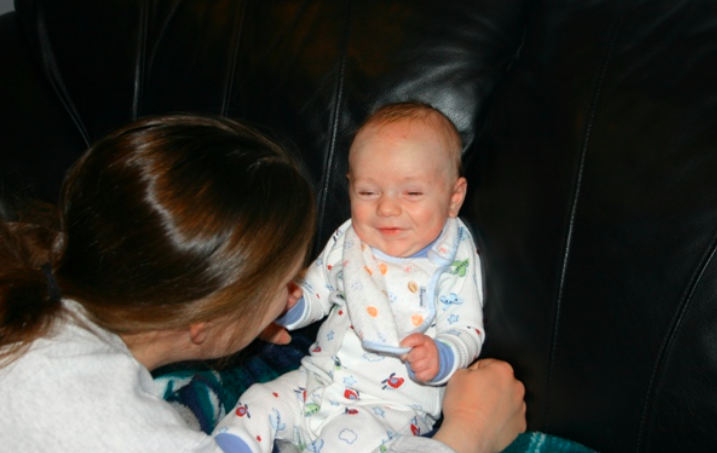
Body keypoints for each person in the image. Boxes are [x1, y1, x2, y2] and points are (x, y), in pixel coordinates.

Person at [0, 113, 525, 453]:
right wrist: (468, 434)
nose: (295, 291)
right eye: (286, 279)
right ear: (205, 321)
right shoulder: (107, 427)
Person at [218, 102, 492, 453]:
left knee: (346, 440)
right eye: (368, 192)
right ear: (350, 187)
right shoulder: (350, 238)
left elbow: (466, 330)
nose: (386, 208)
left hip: (387, 408)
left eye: (412, 193)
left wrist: (442, 356)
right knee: (257, 402)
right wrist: (289, 303)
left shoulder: (453, 258)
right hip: (316, 381)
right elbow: (315, 292)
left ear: (453, 198)